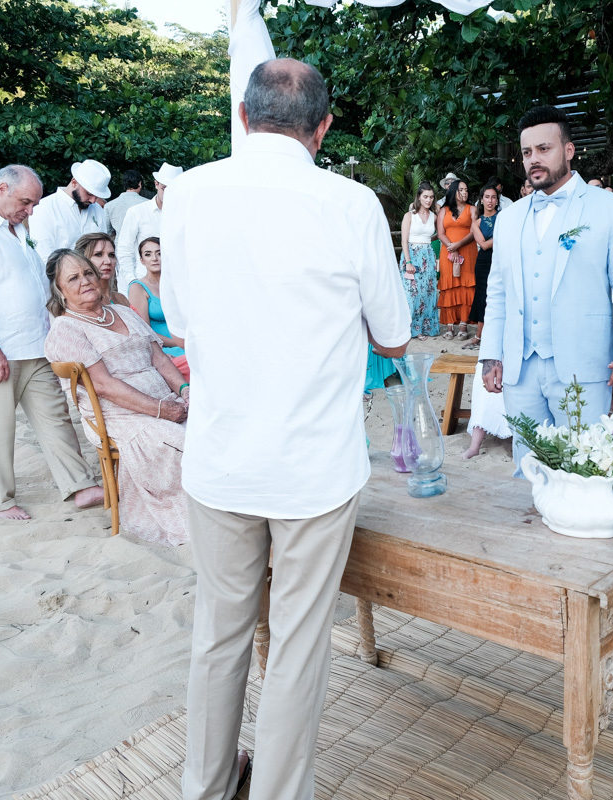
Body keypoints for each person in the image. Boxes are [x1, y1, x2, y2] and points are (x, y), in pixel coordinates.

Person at [161, 57, 411, 800]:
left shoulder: (188, 195)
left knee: (218, 638)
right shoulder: (350, 202)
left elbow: (176, 319)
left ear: (243, 116)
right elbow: (395, 336)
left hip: (221, 460)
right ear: (323, 128)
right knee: (298, 649)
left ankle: (203, 788)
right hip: (312, 470)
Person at [479, 105, 613, 468]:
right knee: (530, 468)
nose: (534, 160)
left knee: (587, 468)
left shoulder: (612, 209)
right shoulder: (508, 220)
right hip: (519, 370)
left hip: (585, 366)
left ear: (568, 151)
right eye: (527, 153)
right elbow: (498, 293)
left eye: (544, 149)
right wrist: (491, 354)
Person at [0, 164, 104, 520]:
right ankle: (0, 500)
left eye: (33, 204)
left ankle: (79, 484)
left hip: (35, 345)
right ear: (1, 189)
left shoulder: (16, 230)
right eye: (25, 202)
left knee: (55, 417)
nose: (30, 211)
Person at [43, 249, 189, 546]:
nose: (84, 281)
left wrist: (186, 391)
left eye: (88, 273)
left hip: (164, 402)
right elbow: (105, 386)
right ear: (60, 291)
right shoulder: (66, 329)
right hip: (120, 417)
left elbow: (160, 360)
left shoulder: (121, 312)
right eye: (73, 278)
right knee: (188, 444)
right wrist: (162, 410)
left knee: (219, 427)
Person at [126, 236, 190, 379]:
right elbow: (144, 331)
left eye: (159, 253)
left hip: (187, 340)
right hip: (165, 348)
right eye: (148, 254)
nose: (154, 258)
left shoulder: (176, 283)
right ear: (142, 260)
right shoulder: (138, 288)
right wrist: (179, 342)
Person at [27, 159, 112, 262]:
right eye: (89, 193)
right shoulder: (44, 209)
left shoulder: (97, 209)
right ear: (74, 182)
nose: (93, 200)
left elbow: (103, 248)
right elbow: (44, 258)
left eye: (97, 196)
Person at [116, 162, 183, 294]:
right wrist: (132, 281)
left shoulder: (182, 215)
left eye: (173, 190)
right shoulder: (137, 212)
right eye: (165, 188)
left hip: (174, 285)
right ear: (156, 184)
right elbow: (124, 249)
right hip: (144, 285)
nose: (169, 194)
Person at [436, 178, 477, 339]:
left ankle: (464, 325)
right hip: (448, 253)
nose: (464, 193)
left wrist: (457, 245)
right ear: (453, 191)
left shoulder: (472, 209)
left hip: (467, 251)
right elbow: (440, 233)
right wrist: (451, 247)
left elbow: (474, 232)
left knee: (466, 287)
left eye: (466, 190)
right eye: (461, 190)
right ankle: (449, 325)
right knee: (449, 286)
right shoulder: (443, 211)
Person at [398, 182, 440, 339]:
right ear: (419, 197)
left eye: (431, 197)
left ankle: (422, 329)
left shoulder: (434, 217)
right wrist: (408, 262)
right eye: (425, 197)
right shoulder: (409, 216)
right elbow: (404, 241)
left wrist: (427, 242)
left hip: (428, 256)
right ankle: (408, 329)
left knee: (427, 293)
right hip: (412, 255)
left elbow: (437, 234)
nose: (428, 200)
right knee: (411, 293)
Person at [464, 183, 499, 350]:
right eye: (487, 197)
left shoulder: (504, 217)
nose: (490, 200)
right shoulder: (476, 223)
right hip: (484, 261)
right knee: (482, 296)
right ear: (482, 200)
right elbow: (484, 245)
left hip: (501, 259)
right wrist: (500, 236)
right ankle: (479, 335)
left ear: (497, 200)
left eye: (493, 197)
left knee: (499, 295)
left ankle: (495, 333)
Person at [75, 232, 131, 308]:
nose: (108, 261)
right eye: (98, 254)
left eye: (111, 255)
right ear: (83, 260)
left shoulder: (121, 299)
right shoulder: (82, 301)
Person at [106, 169, 146, 236]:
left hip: (118, 245)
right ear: (140, 184)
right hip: (142, 245)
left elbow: (107, 231)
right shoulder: (148, 203)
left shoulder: (109, 205)